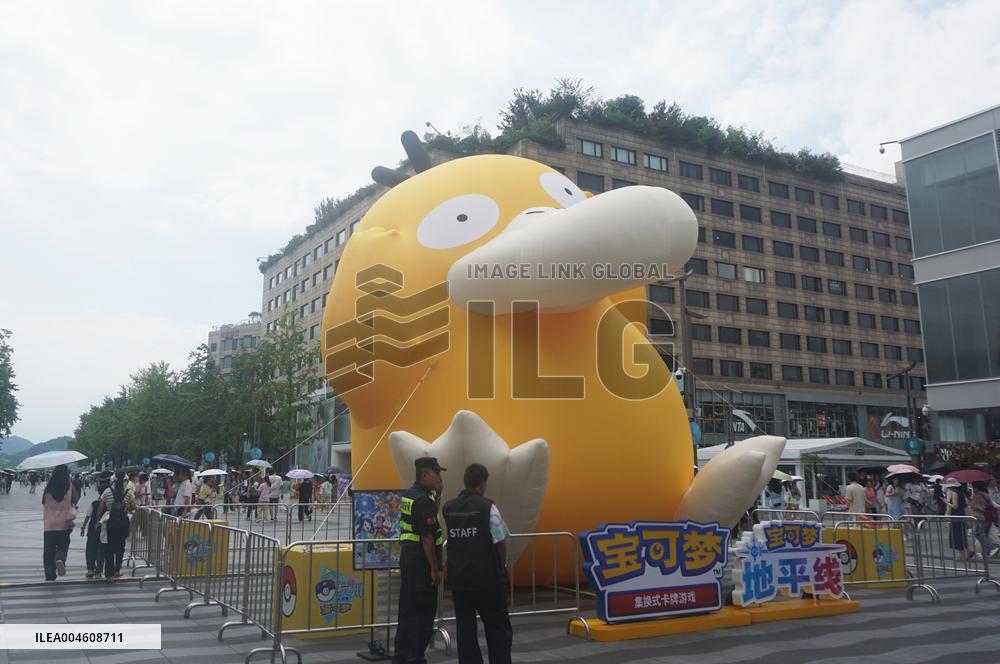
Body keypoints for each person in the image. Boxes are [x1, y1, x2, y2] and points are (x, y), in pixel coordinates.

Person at [443, 463, 513, 664]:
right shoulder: (488, 507)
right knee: (497, 627)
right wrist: (502, 567)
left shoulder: (448, 508)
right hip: (487, 579)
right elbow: (500, 540)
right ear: (483, 484)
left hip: (460, 580)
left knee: (465, 629)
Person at [394, 457, 445, 664]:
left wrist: (438, 495)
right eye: (436, 473)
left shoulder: (410, 495)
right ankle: (416, 657)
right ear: (425, 475)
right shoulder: (424, 501)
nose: (440, 477)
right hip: (421, 563)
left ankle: (401, 655)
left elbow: (425, 521)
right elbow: (427, 537)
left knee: (407, 610)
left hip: (408, 558)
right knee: (423, 613)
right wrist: (434, 569)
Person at [42, 464, 80, 580]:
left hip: (49, 525)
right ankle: (60, 559)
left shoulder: (48, 488)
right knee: (63, 546)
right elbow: (75, 500)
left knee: (48, 552)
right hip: (64, 524)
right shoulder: (69, 487)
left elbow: (43, 502)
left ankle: (50, 576)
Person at [97, 469, 136, 579]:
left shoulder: (107, 491)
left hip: (110, 522)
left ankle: (109, 574)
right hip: (123, 523)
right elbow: (133, 507)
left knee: (109, 548)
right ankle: (117, 570)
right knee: (120, 548)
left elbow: (100, 507)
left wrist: (98, 520)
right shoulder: (129, 492)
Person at [944, 478, 972, 560]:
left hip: (956, 515)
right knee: (961, 534)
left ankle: (963, 556)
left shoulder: (954, 493)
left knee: (957, 535)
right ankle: (967, 551)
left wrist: (947, 502)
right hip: (962, 514)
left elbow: (954, 506)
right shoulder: (961, 493)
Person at [969, 481, 999, 558]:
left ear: (976, 487)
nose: (973, 488)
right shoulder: (985, 494)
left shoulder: (977, 495)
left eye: (973, 486)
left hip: (981, 517)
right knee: (985, 534)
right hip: (988, 517)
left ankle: (992, 548)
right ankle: (986, 552)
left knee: (978, 534)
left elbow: (980, 507)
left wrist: (972, 503)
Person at [80, 497, 104, 579]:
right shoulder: (108, 503)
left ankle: (90, 569)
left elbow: (88, 516)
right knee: (101, 551)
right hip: (103, 531)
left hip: (92, 530)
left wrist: (83, 527)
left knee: (90, 550)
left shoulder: (94, 504)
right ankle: (98, 571)